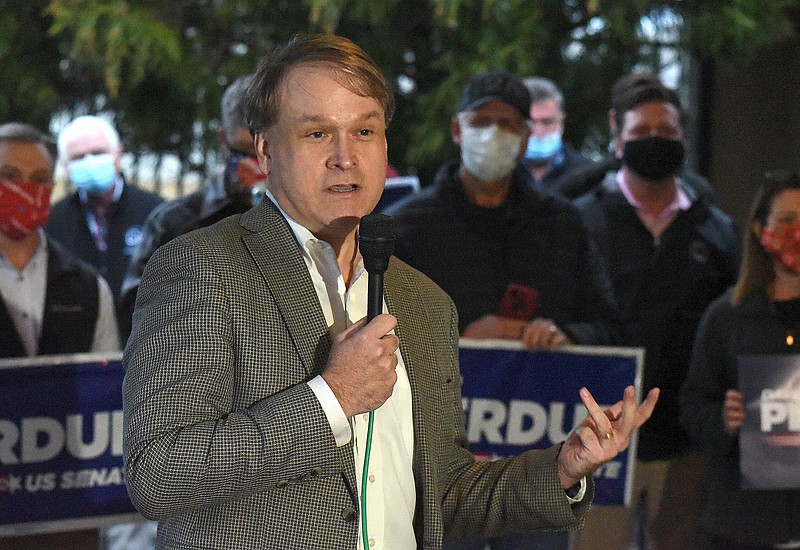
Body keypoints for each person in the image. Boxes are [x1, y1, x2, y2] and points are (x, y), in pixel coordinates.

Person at [122, 34, 659, 549]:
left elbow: (442, 497)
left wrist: (563, 468)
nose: (345, 156)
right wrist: (332, 397)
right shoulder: (200, 268)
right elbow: (159, 474)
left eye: (364, 132)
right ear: (264, 150)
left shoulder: (422, 301)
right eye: (316, 133)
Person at [386, 71, 618, 550]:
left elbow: (608, 324)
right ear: (457, 130)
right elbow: (375, 327)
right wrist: (459, 333)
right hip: (436, 461)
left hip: (537, 457)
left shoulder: (561, 224)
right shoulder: (409, 226)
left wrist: (563, 333)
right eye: (482, 120)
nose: (494, 133)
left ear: (526, 137)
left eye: (508, 123)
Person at [572, 73, 741, 550]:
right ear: (616, 132)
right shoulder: (580, 220)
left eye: (666, 133)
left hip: (685, 444)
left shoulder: (717, 230)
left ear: (684, 137)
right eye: (642, 133)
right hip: (599, 436)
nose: (655, 142)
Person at [0, 122, 120, 547]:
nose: (25, 190)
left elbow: (107, 399)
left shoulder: (88, 287)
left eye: (38, 180)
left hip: (68, 520)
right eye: (9, 178)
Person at [680, 169, 800, 549]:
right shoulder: (727, 316)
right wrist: (722, 419)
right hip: (745, 523)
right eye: (787, 221)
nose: (797, 232)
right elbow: (693, 408)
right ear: (759, 231)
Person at [117, 74, 265, 342]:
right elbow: (133, 313)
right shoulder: (175, 223)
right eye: (243, 152)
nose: (256, 165)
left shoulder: (308, 217)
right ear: (223, 142)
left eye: (265, 152)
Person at [44, 115, 163, 305]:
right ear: (65, 167)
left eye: (98, 152)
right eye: (78, 157)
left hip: (142, 329)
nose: (90, 162)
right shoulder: (52, 221)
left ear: (118, 155)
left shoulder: (156, 213)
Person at [559, 72, 718, 204]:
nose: (653, 139)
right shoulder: (582, 195)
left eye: (665, 129)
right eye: (641, 129)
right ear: (616, 121)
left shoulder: (697, 196)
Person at [520, 76, 595, 198]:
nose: (538, 131)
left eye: (547, 122)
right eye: (530, 123)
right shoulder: (497, 172)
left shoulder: (587, 175)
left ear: (561, 121)